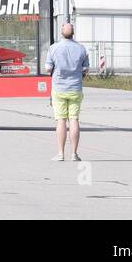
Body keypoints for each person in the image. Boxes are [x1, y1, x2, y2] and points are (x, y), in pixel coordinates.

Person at [44, 22, 91, 162]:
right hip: (75, 88)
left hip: (59, 88)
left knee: (61, 120)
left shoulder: (53, 48)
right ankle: (74, 154)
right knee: (74, 119)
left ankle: (60, 153)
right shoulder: (82, 49)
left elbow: (48, 68)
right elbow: (85, 69)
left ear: (61, 32)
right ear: (73, 32)